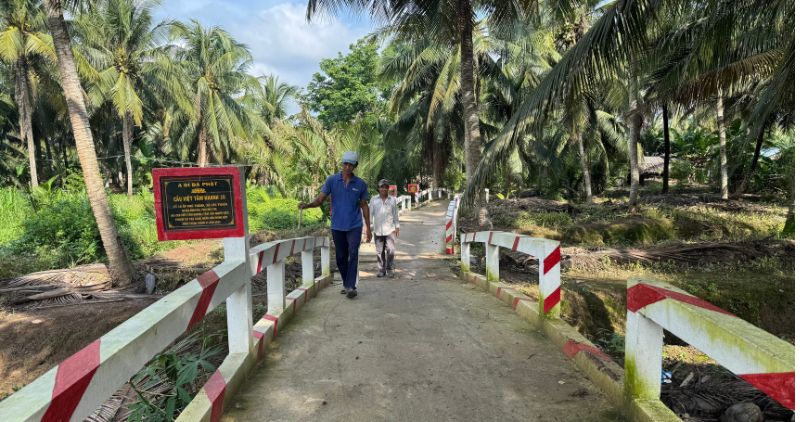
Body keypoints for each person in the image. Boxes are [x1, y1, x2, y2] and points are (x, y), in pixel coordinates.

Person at [299, 151, 371, 299]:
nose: (348, 167)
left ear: (355, 166)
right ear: (342, 164)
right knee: (340, 257)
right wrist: (307, 205)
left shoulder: (360, 184)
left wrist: (368, 228)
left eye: (351, 165)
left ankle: (351, 286)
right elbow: (320, 200)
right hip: (337, 226)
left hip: (355, 225)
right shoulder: (332, 180)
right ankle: (347, 283)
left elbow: (364, 205)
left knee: (353, 253)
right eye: (346, 164)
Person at [369, 179, 400, 277]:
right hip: (378, 229)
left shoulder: (392, 200)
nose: (384, 189)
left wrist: (397, 226)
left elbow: (395, 214)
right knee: (379, 251)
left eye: (386, 187)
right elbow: (370, 214)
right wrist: (369, 227)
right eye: (382, 187)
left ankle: (390, 269)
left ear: (388, 188)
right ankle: (381, 270)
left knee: (391, 249)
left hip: (390, 229)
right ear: (378, 188)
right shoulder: (373, 200)